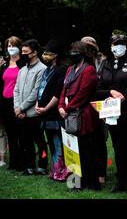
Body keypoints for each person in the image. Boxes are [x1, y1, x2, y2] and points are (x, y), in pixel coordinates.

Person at [96, 32, 127, 194]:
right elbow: (98, 88)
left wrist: (125, 97)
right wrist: (110, 92)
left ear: (126, 46)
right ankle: (120, 180)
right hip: (111, 111)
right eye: (115, 44)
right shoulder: (105, 63)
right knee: (117, 146)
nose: (117, 47)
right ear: (110, 46)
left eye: (121, 43)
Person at [58, 41, 103, 190]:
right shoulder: (70, 69)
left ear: (83, 53)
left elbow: (83, 92)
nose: (72, 54)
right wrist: (61, 106)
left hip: (83, 116)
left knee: (86, 150)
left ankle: (90, 183)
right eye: (71, 51)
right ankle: (75, 182)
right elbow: (64, 89)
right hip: (69, 114)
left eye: (75, 51)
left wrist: (68, 107)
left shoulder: (88, 70)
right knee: (72, 150)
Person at [13, 39, 48, 176]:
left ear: (34, 53)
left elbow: (35, 92)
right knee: (26, 142)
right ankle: (29, 166)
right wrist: (17, 108)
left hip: (34, 113)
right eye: (22, 52)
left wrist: (21, 108)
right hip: (21, 113)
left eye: (25, 52)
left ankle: (43, 165)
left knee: (40, 142)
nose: (22, 54)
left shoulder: (42, 69)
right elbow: (16, 90)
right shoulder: (22, 70)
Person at [36, 40, 68, 181]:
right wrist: (38, 104)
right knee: (51, 142)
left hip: (54, 114)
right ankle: (55, 169)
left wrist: (46, 108)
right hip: (44, 112)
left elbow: (57, 92)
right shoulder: (47, 69)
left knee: (57, 142)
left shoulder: (61, 70)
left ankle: (60, 170)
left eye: (48, 53)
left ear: (55, 55)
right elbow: (41, 89)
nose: (44, 55)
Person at [81, 36, 108, 186]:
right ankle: (90, 171)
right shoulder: (80, 63)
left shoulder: (103, 61)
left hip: (100, 106)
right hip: (85, 108)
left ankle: (101, 172)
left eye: (90, 46)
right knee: (87, 141)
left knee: (99, 141)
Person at [0, 36, 26, 170]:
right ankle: (13, 162)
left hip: (18, 102)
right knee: (10, 133)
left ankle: (22, 161)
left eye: (13, 45)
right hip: (5, 102)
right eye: (8, 46)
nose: (10, 48)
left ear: (19, 47)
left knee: (20, 133)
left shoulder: (23, 63)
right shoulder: (4, 64)